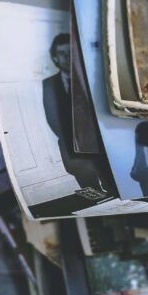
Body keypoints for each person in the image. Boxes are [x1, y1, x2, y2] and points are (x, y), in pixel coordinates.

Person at [41, 33, 107, 195]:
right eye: (62, 54)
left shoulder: (89, 76)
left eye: (70, 52)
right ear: (55, 58)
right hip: (72, 147)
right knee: (92, 191)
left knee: (111, 184)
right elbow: (53, 119)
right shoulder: (49, 85)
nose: (67, 57)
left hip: (100, 142)